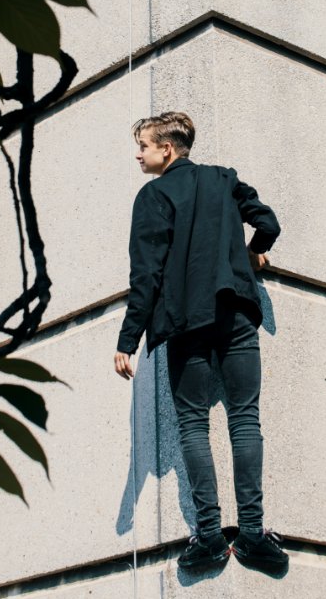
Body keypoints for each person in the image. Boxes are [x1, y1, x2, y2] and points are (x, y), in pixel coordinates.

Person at [114, 111, 288, 572]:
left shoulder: (152, 196)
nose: (139, 154)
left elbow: (145, 275)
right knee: (244, 418)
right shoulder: (223, 179)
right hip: (234, 313)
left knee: (193, 424)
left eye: (144, 146)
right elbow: (267, 220)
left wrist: (128, 339)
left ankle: (209, 537)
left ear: (166, 150)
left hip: (184, 322)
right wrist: (254, 250)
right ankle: (252, 534)